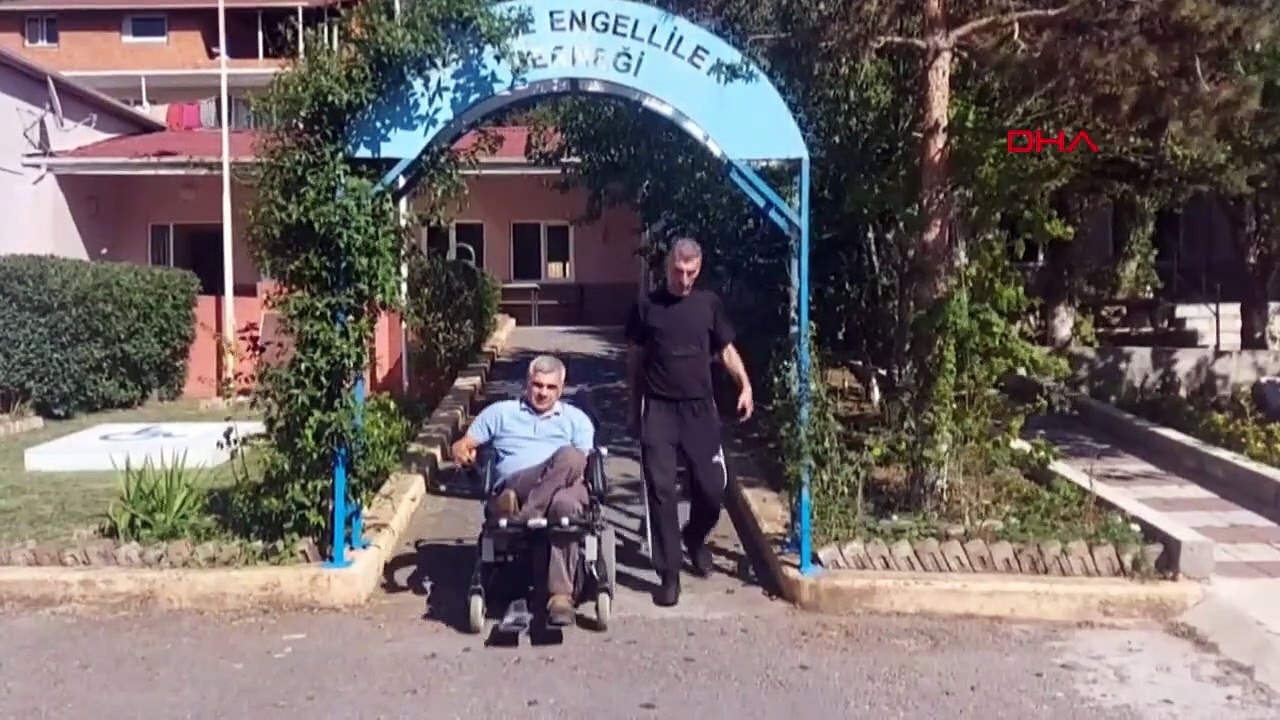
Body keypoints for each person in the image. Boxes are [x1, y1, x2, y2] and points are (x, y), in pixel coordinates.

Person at [625, 237, 754, 607]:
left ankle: (695, 537)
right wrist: (633, 409)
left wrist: (744, 385)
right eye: (679, 272)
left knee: (713, 488)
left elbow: (726, 350)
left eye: (691, 273)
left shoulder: (708, 305)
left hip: (699, 410)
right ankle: (669, 574)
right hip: (660, 410)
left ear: (699, 270)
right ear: (668, 268)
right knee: (662, 489)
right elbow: (634, 361)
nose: (684, 280)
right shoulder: (646, 306)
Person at [451, 355, 595, 626]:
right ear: (527, 383)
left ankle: (560, 597)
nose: (543, 393)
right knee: (568, 459)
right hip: (518, 485)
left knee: (567, 490)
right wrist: (463, 452)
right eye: (537, 385)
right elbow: (462, 444)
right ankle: (528, 508)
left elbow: (582, 466)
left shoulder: (577, 420)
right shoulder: (501, 412)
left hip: (560, 489)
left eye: (550, 387)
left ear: (561, 389)